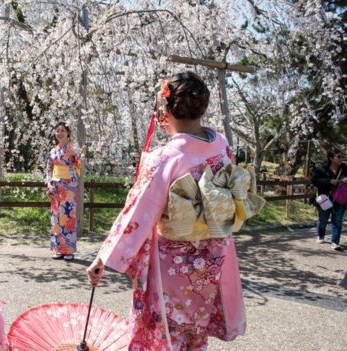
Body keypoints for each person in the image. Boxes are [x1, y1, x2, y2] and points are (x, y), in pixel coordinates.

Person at [86, 72, 250, 350]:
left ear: (165, 108)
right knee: (195, 333)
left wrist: (103, 257)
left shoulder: (166, 158)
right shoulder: (221, 145)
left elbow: (138, 211)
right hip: (211, 259)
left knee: (165, 335)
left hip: (173, 264)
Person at [45, 122, 82, 261]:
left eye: (62, 130)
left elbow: (78, 167)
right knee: (55, 218)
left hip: (68, 186)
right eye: (57, 131)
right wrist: (49, 183)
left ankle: (69, 250)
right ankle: (57, 249)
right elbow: (48, 169)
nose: (59, 133)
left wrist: (75, 157)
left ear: (68, 133)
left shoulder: (73, 149)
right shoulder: (53, 151)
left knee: (68, 216)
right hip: (55, 186)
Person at [311, 149, 347, 251]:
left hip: (340, 199)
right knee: (323, 219)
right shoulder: (322, 168)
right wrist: (329, 181)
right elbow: (314, 180)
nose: (341, 159)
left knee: (337, 221)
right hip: (325, 198)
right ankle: (320, 235)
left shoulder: (345, 168)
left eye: (342, 156)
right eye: (338, 156)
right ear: (331, 158)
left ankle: (335, 242)